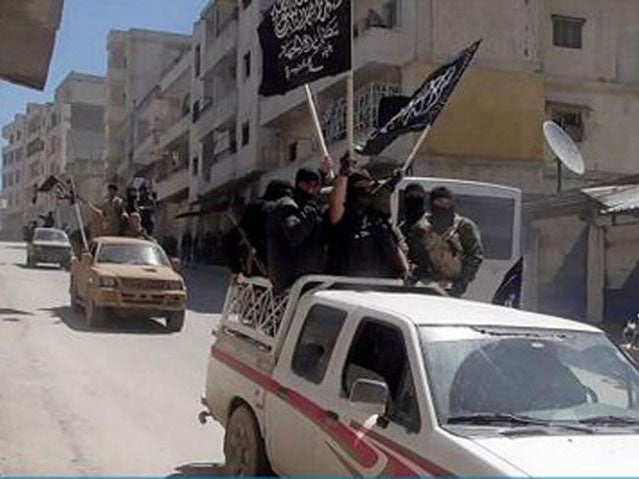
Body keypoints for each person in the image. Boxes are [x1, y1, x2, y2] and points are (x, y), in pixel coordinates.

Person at [327, 155, 409, 279]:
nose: (366, 191)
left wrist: (405, 270)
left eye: (368, 187)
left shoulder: (377, 219)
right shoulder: (343, 217)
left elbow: (394, 246)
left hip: (381, 286)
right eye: (361, 187)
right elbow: (336, 204)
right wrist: (343, 174)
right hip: (346, 288)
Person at [404, 185, 483, 297]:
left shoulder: (464, 227)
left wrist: (462, 282)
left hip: (454, 285)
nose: (444, 206)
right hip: (428, 285)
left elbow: (475, 256)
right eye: (439, 202)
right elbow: (414, 256)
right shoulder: (421, 228)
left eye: (447, 202)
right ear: (432, 204)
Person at [266, 168, 326, 292]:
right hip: (290, 283)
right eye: (307, 184)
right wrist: (310, 210)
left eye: (315, 185)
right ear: (298, 183)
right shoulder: (287, 206)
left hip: (310, 280)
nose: (311, 189)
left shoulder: (311, 206)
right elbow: (295, 235)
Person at [222, 179, 293, 277]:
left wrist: (236, 270)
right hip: (281, 276)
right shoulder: (287, 210)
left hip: (254, 275)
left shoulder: (253, 209)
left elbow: (228, 241)